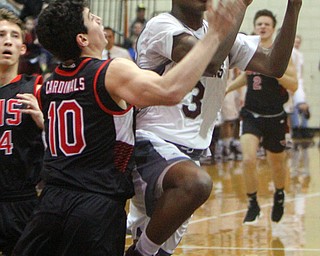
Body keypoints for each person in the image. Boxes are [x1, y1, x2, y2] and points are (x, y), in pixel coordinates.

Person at [12, 0, 238, 255]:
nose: (99, 21)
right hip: (95, 204)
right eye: (92, 18)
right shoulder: (110, 71)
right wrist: (216, 34)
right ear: (82, 39)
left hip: (51, 202)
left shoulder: (53, 81)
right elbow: (171, 90)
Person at [126, 0, 302, 255]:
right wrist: (239, 6)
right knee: (196, 185)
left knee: (158, 250)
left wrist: (293, 8)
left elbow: (274, 65)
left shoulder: (218, 34)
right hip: (152, 144)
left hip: (189, 155)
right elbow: (209, 61)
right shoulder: (161, 26)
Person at [225, 9, 298, 225]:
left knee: (277, 164)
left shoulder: (283, 53)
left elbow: (293, 85)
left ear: (273, 28)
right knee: (248, 159)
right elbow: (248, 78)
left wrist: (276, 69)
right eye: (259, 24)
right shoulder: (250, 51)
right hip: (251, 114)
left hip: (275, 116)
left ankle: (279, 194)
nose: (263, 27)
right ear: (255, 27)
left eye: (267, 24)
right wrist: (228, 88)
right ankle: (253, 203)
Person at [0, 8, 44, 256]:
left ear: (23, 47)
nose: (7, 40)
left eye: (14, 35)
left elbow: (61, 140)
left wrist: (43, 121)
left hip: (23, 200)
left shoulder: (36, 87)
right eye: (1, 34)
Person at [291, 35, 311, 139]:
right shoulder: (292, 52)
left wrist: (302, 84)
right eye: (295, 42)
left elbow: (301, 71)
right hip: (292, 82)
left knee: (301, 106)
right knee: (296, 106)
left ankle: (302, 128)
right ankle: (296, 128)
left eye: (299, 42)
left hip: (299, 82)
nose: (297, 44)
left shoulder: (300, 54)